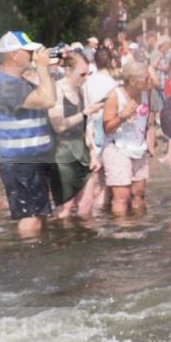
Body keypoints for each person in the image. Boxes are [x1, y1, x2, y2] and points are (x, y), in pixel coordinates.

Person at [0, 31, 57, 235]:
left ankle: (38, 257)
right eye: (28, 51)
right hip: (21, 162)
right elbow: (49, 100)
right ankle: (28, 261)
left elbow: (47, 97)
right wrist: (42, 68)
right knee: (30, 220)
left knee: (39, 216)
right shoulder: (6, 85)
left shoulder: (18, 82)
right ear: (14, 55)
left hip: (32, 159)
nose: (33, 54)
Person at [49, 51, 103, 218]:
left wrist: (93, 154)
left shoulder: (81, 89)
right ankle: (64, 242)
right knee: (65, 210)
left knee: (85, 207)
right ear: (68, 71)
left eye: (88, 73)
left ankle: (87, 242)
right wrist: (85, 113)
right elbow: (58, 125)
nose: (86, 78)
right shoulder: (56, 90)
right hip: (62, 155)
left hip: (83, 152)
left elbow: (87, 128)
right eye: (82, 74)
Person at [102, 60, 153, 215]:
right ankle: (122, 233)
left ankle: (140, 229)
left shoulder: (146, 92)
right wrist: (123, 116)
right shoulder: (114, 96)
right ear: (132, 81)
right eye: (146, 78)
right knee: (122, 197)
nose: (149, 81)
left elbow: (147, 120)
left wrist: (150, 138)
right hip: (118, 148)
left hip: (138, 147)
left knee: (139, 193)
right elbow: (107, 128)